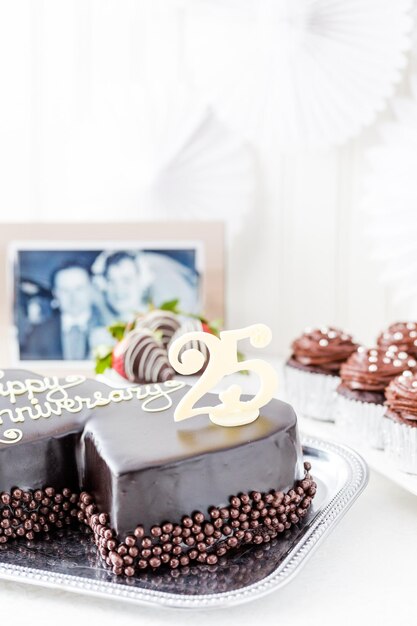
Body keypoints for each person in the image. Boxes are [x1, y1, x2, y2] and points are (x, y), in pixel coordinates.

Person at [22, 262, 103, 360]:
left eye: (79, 289)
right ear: (55, 294)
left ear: (91, 288)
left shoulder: (109, 327)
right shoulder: (38, 334)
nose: (73, 297)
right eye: (65, 290)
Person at [103, 252, 148, 321]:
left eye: (126, 280)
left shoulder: (160, 324)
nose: (118, 288)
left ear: (142, 283)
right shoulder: (102, 329)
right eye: (111, 281)